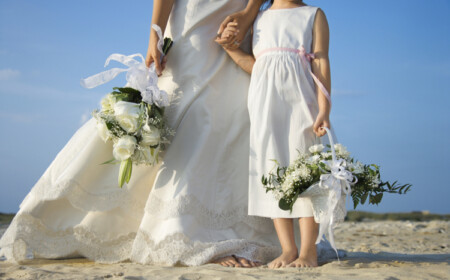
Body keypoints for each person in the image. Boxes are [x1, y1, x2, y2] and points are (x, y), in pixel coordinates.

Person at [218, 0, 335, 268]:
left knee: (306, 171)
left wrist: (324, 108)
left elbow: (321, 61)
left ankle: (308, 252)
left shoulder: (313, 15)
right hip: (264, 103)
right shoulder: (258, 18)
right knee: (271, 171)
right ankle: (288, 249)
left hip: (302, 102)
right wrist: (229, 49)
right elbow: (256, 65)